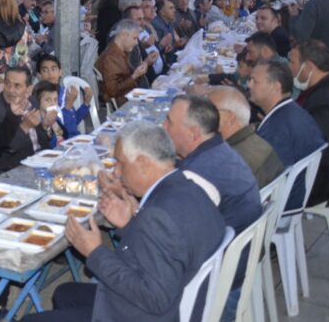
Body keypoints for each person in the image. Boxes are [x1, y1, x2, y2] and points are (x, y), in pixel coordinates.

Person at [29, 123, 225, 322]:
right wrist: (130, 224)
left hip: (149, 313)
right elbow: (166, 250)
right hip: (176, 295)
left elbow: (155, 299)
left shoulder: (157, 216)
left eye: (120, 163)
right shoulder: (189, 187)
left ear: (143, 163)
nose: (115, 172)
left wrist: (95, 252)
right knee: (65, 293)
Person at [162, 95, 260, 235]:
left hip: (223, 252)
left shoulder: (194, 176)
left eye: (169, 122)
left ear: (193, 133)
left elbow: (169, 231)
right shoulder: (220, 148)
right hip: (242, 239)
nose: (163, 126)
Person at [249, 59, 326, 209]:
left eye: (255, 81)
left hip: (280, 205)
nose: (249, 85)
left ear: (275, 87)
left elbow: (261, 179)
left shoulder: (276, 130)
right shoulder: (293, 111)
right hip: (300, 193)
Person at [207, 87, 284, 188]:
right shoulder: (259, 143)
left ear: (229, 117)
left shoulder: (229, 163)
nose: (201, 116)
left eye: (208, 110)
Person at [288, 40, 329, 205]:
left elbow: (319, 150)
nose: (290, 68)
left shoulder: (324, 98)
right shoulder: (319, 88)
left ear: (308, 67)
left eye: (292, 62)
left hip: (319, 182)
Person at [0, 66, 47, 171]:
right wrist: (25, 127)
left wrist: (47, 127)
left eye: (17, 86)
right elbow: (4, 150)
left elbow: (44, 140)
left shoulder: (33, 102)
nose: (10, 90)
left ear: (28, 88)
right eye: (7, 84)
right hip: (16, 169)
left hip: (41, 161)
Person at [95, 20, 150, 108]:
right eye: (134, 38)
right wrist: (134, 76)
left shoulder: (120, 52)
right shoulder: (110, 57)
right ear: (123, 36)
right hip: (121, 104)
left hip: (128, 98)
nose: (136, 43)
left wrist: (138, 73)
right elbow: (112, 91)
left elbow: (124, 78)